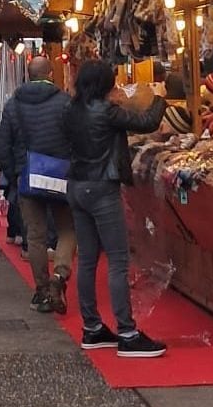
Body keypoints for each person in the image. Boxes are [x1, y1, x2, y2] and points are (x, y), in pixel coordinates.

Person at [64, 60, 167, 357]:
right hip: (102, 187)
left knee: (86, 259)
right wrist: (159, 96)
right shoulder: (106, 111)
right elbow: (147, 122)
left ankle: (92, 327)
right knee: (119, 260)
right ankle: (127, 332)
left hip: (77, 185)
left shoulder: (70, 109)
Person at [0, 56, 76, 314]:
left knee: (36, 236)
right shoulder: (65, 102)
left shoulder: (13, 105)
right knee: (67, 229)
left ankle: (41, 289)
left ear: (28, 75)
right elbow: (77, 140)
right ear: (51, 73)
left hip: (28, 176)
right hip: (61, 175)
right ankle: (60, 276)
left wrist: (15, 173)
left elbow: (3, 146)